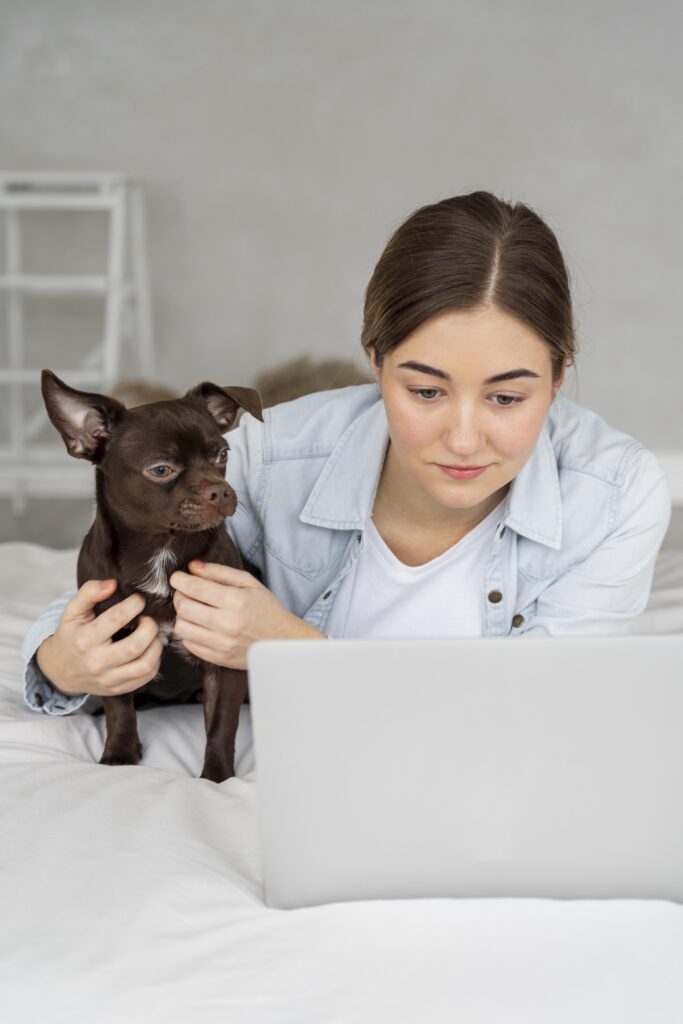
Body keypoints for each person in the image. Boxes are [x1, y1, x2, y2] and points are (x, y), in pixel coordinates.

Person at [22, 190, 671, 717]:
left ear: (557, 378)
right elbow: (99, 593)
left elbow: (551, 712)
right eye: (424, 390)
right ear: (375, 363)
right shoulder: (270, 454)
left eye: (506, 398)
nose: (465, 438)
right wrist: (61, 665)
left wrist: (293, 649)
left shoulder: (616, 492)